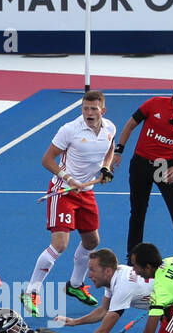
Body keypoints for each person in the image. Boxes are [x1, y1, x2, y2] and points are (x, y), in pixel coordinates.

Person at [21, 90, 116, 318]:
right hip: (63, 191)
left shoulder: (110, 128)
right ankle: (31, 291)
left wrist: (105, 167)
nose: (89, 113)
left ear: (102, 111)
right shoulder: (69, 130)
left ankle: (75, 284)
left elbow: (110, 148)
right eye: (85, 108)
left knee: (92, 241)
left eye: (94, 109)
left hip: (87, 192)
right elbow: (47, 160)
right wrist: (69, 179)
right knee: (60, 244)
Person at [111, 75, 173, 260]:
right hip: (140, 163)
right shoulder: (154, 104)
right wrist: (119, 150)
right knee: (138, 211)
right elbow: (130, 125)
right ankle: (132, 256)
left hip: (163, 167)